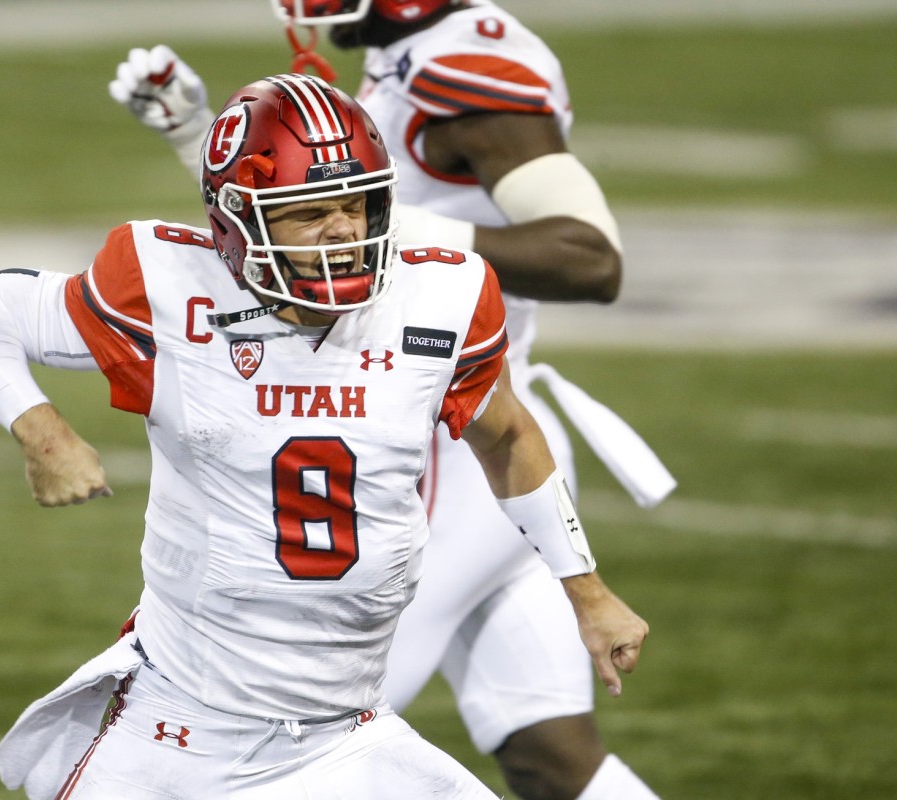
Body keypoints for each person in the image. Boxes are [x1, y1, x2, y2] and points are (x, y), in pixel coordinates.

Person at [0, 73, 648, 800]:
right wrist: (42, 431)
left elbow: (508, 434)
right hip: (179, 733)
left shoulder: (441, 297)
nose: (343, 231)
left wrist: (586, 591)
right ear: (237, 223)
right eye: (309, 212)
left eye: (358, 205)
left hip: (347, 732)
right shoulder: (172, 286)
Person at [107, 3, 676, 799]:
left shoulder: (467, 70)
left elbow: (590, 257)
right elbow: (299, 244)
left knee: (269, 745)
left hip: (442, 445)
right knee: (552, 760)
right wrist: (198, 136)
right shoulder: (414, 52)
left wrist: (394, 229)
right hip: (459, 441)